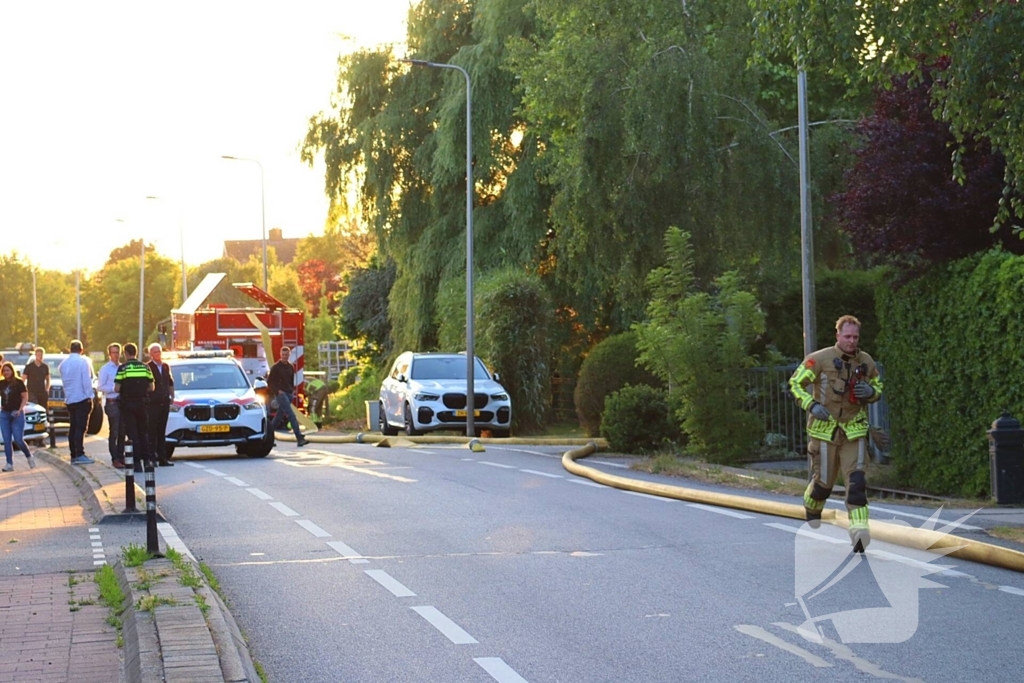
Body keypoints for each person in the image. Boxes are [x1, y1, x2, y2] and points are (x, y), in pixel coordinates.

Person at [789, 315, 883, 553]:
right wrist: (811, 405)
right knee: (824, 484)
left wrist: (871, 391)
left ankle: (860, 532)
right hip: (824, 432)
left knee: (857, 482)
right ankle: (812, 505)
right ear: (838, 336)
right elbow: (795, 384)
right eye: (847, 336)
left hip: (855, 430)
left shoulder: (866, 362)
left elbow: (879, 386)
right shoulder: (819, 359)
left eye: (855, 337)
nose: (852, 341)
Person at [114, 343, 154, 467]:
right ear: (136, 353)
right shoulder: (145, 367)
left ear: (126, 354)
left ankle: (136, 463)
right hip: (142, 403)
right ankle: (147, 460)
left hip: (128, 404)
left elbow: (116, 388)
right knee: (144, 432)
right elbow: (152, 387)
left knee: (132, 434)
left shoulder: (123, 368)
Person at [59, 339, 95, 465]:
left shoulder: (63, 364)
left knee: (73, 427)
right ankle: (80, 453)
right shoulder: (83, 362)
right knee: (81, 427)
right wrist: (90, 396)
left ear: (70, 349)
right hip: (81, 398)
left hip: (70, 399)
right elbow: (86, 381)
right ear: (81, 350)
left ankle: (73, 454)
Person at [268, 346, 309, 447]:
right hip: (281, 395)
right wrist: (278, 391)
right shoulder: (275, 367)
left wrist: (292, 391)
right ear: (280, 355)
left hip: (289, 394)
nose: (284, 357)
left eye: (286, 355)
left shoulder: (291, 366)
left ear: (289, 355)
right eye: (283, 355)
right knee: (291, 415)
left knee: (278, 417)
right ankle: (299, 438)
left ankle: (267, 438)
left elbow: (291, 381)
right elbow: (270, 382)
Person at [0, 362, 36, 472]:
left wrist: (20, 410)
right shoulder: (1, 383)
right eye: (4, 370)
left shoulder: (19, 382)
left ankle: (29, 456)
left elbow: (25, 397)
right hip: (4, 414)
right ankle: (9, 464)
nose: (6, 372)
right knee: (6, 440)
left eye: (8, 370)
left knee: (18, 439)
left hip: (17, 414)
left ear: (12, 371)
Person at [146, 343, 174, 466]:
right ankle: (152, 457)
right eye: (155, 352)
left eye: (159, 351)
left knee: (161, 430)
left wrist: (172, 396)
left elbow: (170, 382)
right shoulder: (148, 367)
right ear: (150, 354)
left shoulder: (166, 366)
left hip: (164, 402)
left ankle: (163, 458)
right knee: (152, 430)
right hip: (153, 403)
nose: (157, 354)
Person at [97, 343, 124, 468]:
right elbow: (100, 387)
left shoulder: (123, 367)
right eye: (113, 352)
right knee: (114, 431)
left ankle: (122, 456)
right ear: (109, 354)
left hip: (123, 402)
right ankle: (115, 458)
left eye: (117, 352)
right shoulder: (106, 369)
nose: (116, 355)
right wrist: (114, 388)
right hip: (112, 402)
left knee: (122, 431)